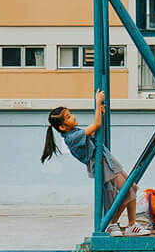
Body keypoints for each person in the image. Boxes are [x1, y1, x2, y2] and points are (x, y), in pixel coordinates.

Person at [42, 90, 148, 236]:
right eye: (68, 117)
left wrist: (101, 113)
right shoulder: (71, 137)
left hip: (106, 158)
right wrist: (97, 103)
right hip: (101, 163)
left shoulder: (75, 132)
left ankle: (131, 224)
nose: (73, 117)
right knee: (126, 192)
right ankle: (112, 224)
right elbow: (96, 125)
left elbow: (95, 132)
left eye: (70, 114)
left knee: (132, 188)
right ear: (62, 127)